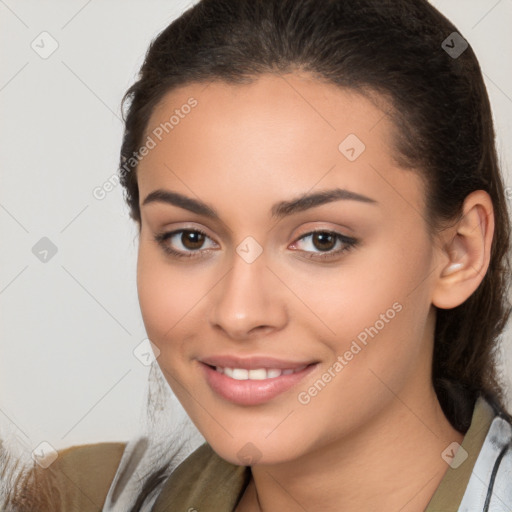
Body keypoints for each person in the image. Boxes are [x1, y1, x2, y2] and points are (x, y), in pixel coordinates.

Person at [2, 0, 512, 510]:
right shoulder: (75, 497)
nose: (239, 313)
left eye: (321, 240)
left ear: (458, 252)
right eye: (190, 238)